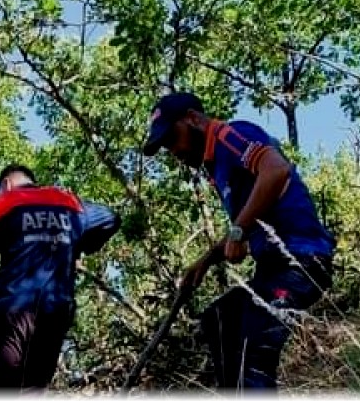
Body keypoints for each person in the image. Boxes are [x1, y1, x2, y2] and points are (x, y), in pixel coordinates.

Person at [141, 91, 335, 391]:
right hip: (272, 270)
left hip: (302, 260)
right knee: (219, 319)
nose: (173, 150)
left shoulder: (230, 136)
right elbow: (247, 225)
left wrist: (238, 230)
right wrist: (204, 262)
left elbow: (276, 170)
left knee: (255, 347)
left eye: (172, 138)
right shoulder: (217, 166)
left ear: (192, 118)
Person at [0, 163, 121, 393]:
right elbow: (111, 218)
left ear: (6, 184)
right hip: (55, 315)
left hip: (12, 310)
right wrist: (77, 244)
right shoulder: (70, 203)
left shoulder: (0, 205)